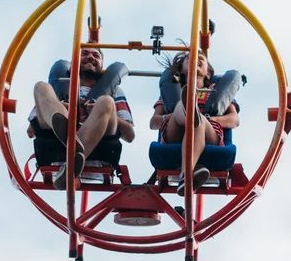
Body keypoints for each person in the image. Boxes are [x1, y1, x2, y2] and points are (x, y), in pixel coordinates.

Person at [28, 47, 135, 190]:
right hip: (54, 140)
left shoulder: (115, 92)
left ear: (102, 66)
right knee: (41, 87)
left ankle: (71, 164)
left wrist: (102, 111)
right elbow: (31, 131)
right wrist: (60, 106)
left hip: (100, 143)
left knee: (106, 101)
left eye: (96, 55)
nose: (91, 57)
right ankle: (66, 130)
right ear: (73, 63)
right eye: (84, 54)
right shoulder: (57, 89)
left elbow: (129, 135)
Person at [149, 52, 241, 195]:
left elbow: (234, 120)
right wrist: (177, 115)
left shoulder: (215, 92)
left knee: (198, 119)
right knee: (182, 106)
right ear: (182, 69)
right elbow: (154, 122)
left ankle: (186, 174)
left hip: (208, 133)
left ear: (208, 72)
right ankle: (190, 113)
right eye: (189, 57)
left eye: (201, 58)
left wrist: (209, 119)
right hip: (176, 129)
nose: (196, 58)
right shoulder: (172, 93)